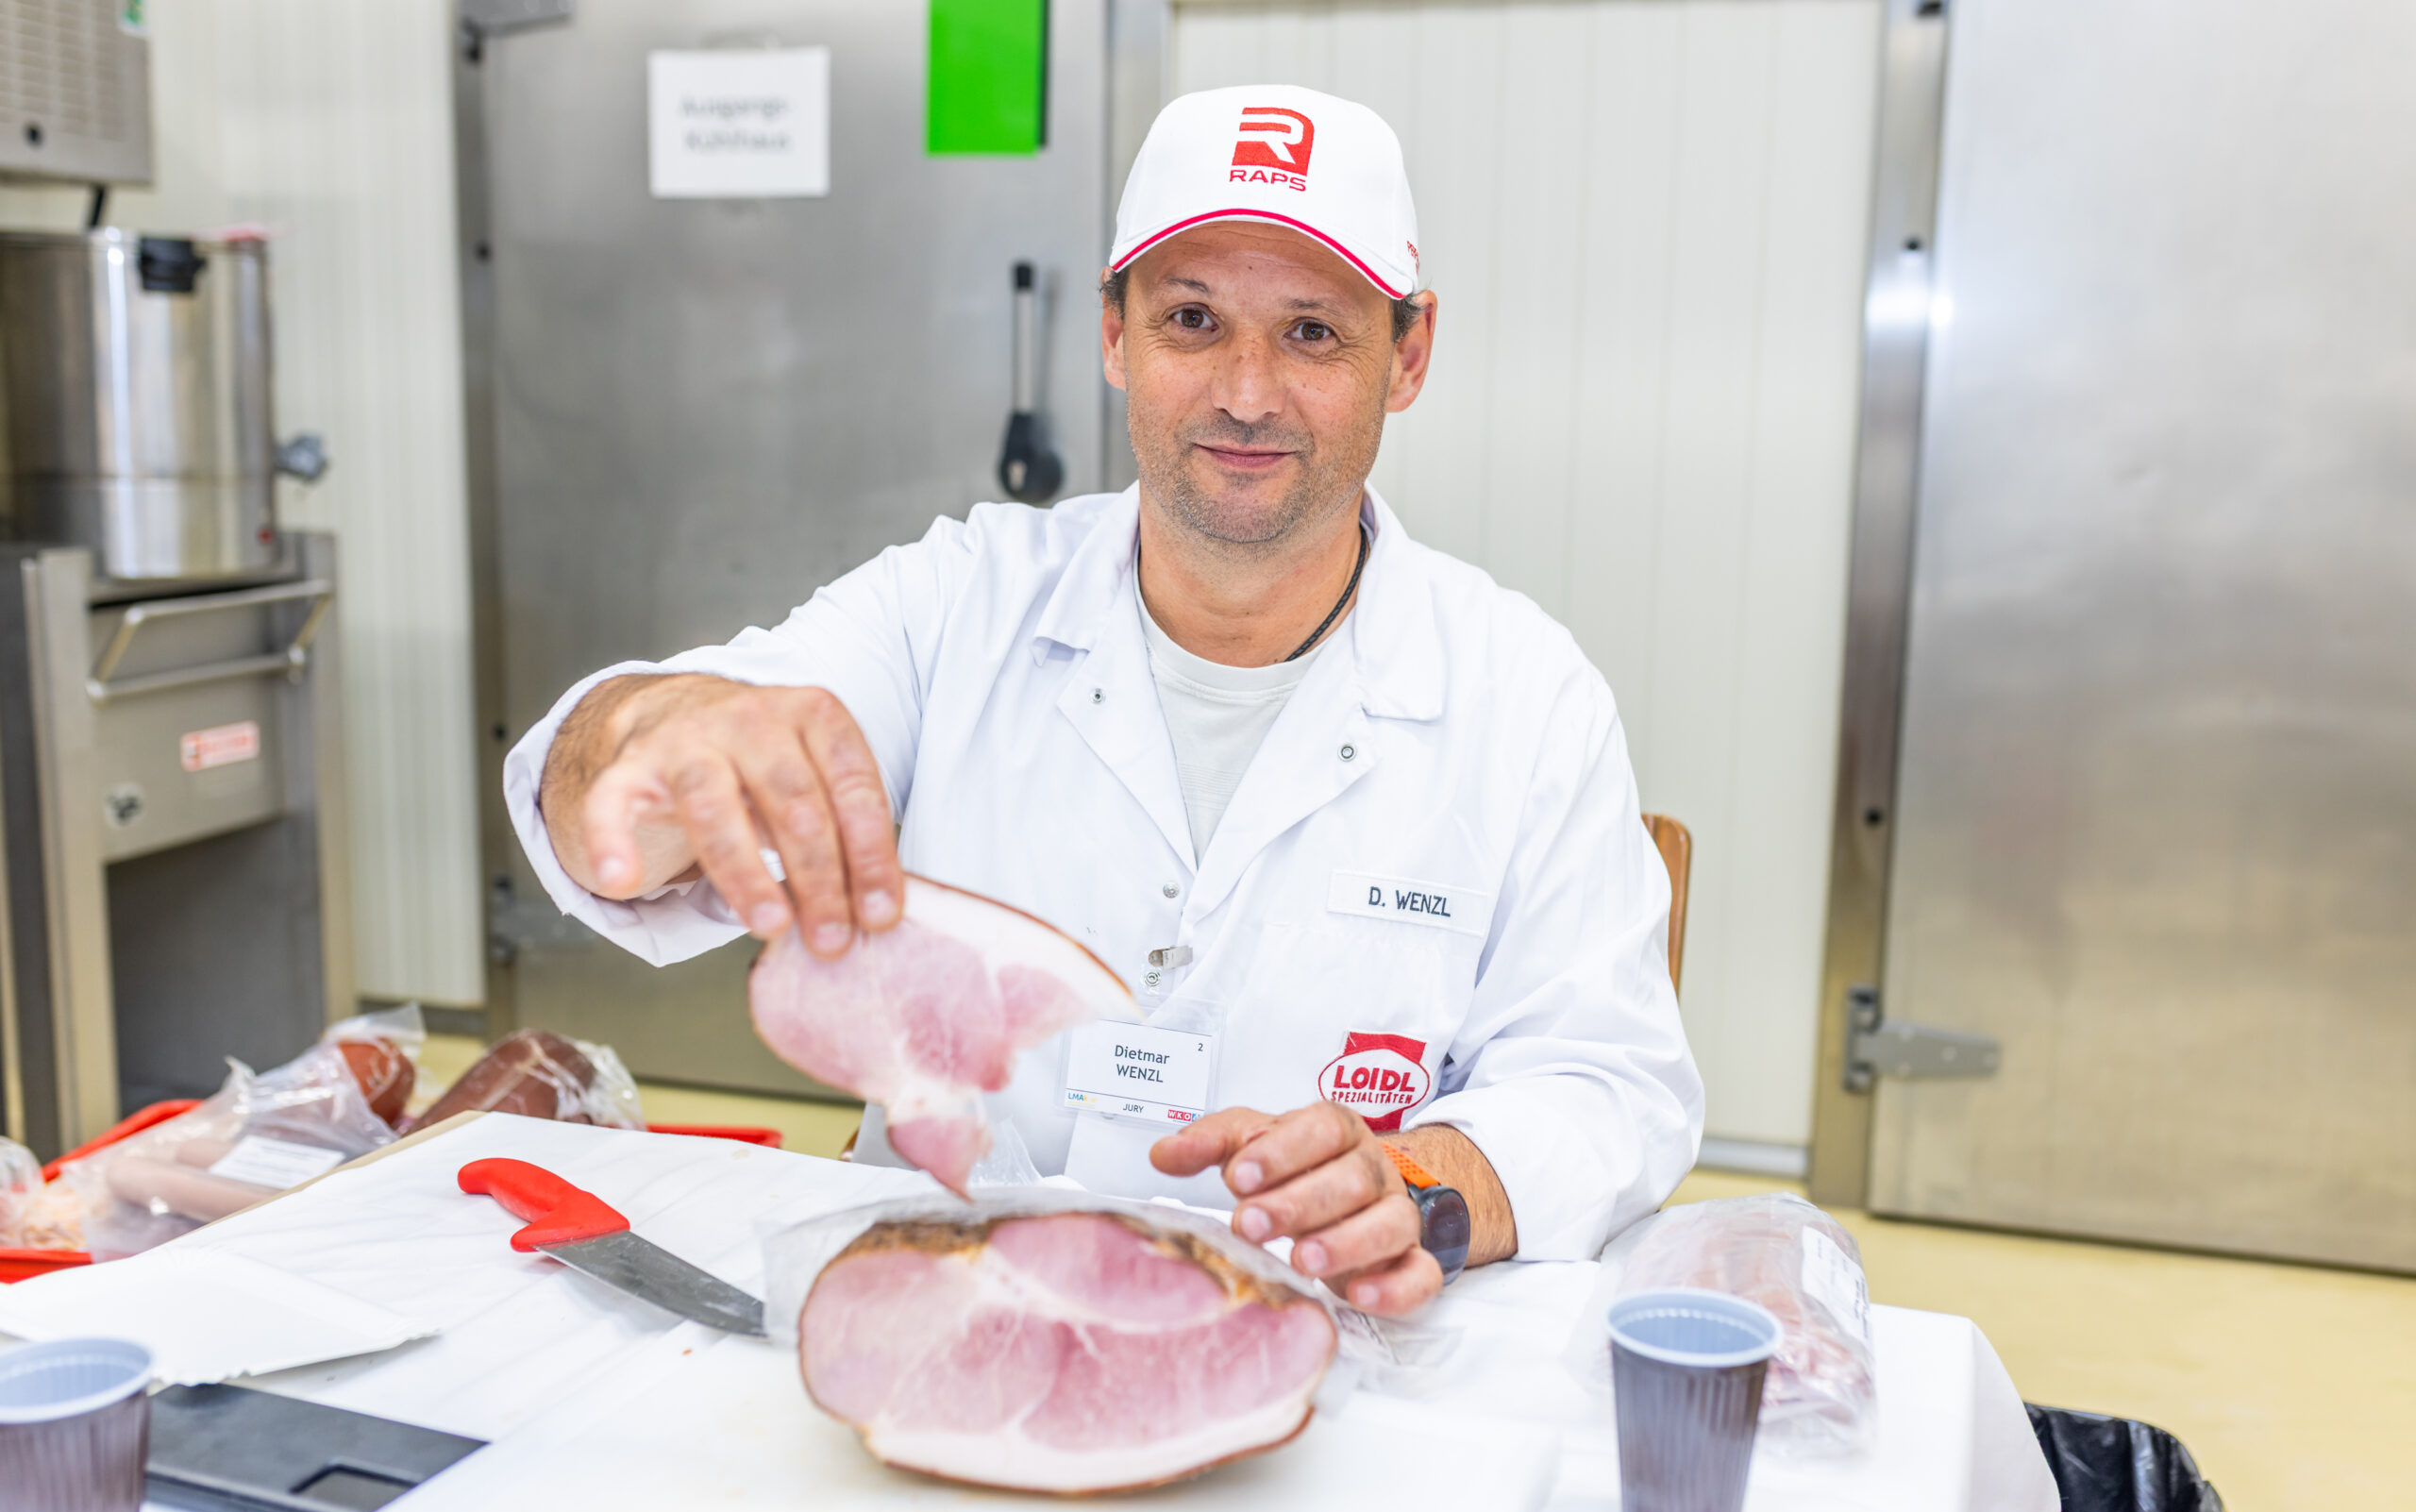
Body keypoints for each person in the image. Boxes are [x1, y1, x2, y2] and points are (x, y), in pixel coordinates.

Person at [504, 85, 1702, 1317]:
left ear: (1408, 355)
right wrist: (649, 740)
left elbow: (1610, 1083)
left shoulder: (1524, 695)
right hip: (943, 1309)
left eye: (1311, 334)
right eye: (1193, 320)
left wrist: (1418, 1183)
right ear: (1117, 336)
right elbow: (637, 792)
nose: (1246, 392)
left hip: (1333, 1348)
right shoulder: (956, 604)